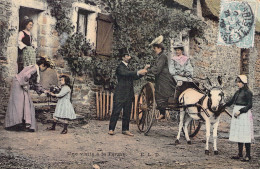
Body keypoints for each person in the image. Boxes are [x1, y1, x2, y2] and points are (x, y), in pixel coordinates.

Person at [108, 48, 147, 136]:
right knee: (116, 111)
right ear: (123, 57)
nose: (129, 57)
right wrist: (137, 72)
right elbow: (126, 74)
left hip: (129, 93)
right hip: (120, 93)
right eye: (127, 56)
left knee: (127, 112)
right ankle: (111, 129)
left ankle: (125, 129)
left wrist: (142, 72)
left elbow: (133, 76)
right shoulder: (120, 67)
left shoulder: (127, 68)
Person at [4, 60, 47, 131]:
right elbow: (25, 76)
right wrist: (24, 85)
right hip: (18, 85)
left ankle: (22, 123)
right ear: (42, 65)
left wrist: (44, 90)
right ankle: (15, 124)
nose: (44, 70)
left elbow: (35, 83)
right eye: (45, 68)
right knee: (19, 104)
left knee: (24, 103)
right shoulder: (34, 68)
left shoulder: (34, 69)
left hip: (19, 84)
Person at [225, 75, 254, 162]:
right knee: (239, 133)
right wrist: (222, 105)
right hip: (236, 113)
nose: (238, 84)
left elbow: (250, 105)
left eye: (239, 82)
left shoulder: (248, 92)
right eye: (237, 82)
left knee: (245, 133)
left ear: (243, 83)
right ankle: (240, 154)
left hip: (243, 114)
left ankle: (248, 155)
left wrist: (240, 111)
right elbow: (231, 102)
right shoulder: (237, 92)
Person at [148, 42, 175, 120]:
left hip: (164, 78)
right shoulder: (160, 56)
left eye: (155, 48)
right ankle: (162, 113)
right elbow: (157, 66)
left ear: (160, 48)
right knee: (160, 94)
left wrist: (148, 71)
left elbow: (158, 68)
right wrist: (150, 66)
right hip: (161, 78)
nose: (154, 50)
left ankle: (162, 113)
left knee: (160, 94)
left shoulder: (162, 56)